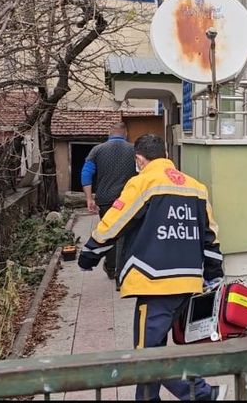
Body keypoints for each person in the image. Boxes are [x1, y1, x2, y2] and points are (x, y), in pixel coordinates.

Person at [78, 134, 226, 401]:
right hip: (188, 283)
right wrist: (213, 275)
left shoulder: (143, 182)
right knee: (152, 348)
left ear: (139, 159)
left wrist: (89, 253)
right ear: (166, 154)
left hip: (155, 281)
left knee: (148, 357)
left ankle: (203, 394)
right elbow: (210, 237)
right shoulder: (196, 187)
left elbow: (114, 222)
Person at [81, 121, 136, 280]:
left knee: (110, 232)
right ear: (125, 133)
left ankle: (111, 268)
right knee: (126, 233)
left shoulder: (97, 150)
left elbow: (86, 174)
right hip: (128, 200)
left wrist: (89, 199)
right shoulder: (134, 150)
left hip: (105, 200)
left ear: (109, 133)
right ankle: (124, 268)